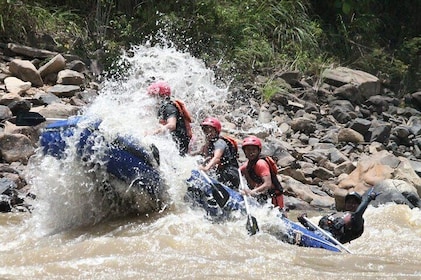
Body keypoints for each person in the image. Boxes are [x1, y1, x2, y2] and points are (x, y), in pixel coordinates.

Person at [298, 188, 379, 244]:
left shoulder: (357, 221)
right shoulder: (336, 214)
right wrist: (304, 222)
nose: (351, 205)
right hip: (318, 236)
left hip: (328, 242)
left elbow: (358, 214)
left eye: (354, 203)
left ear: (359, 205)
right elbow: (318, 231)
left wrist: (368, 199)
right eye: (349, 202)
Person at [147, 81, 191, 156]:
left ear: (160, 95)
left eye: (154, 95)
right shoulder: (163, 107)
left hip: (178, 150)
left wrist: (153, 132)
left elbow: (172, 125)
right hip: (175, 147)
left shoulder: (169, 107)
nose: (152, 98)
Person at [194, 117, 240, 189]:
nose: (208, 133)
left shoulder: (219, 143)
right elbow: (198, 154)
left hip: (230, 174)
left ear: (216, 131)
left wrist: (206, 168)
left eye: (210, 130)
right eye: (205, 131)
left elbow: (216, 158)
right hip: (221, 172)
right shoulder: (208, 145)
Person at [239, 135, 284, 209]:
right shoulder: (247, 165)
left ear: (258, 151)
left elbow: (267, 184)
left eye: (253, 150)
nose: (251, 152)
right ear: (244, 151)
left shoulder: (261, 164)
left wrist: (251, 192)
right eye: (248, 150)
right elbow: (238, 172)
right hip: (261, 196)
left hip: (273, 197)